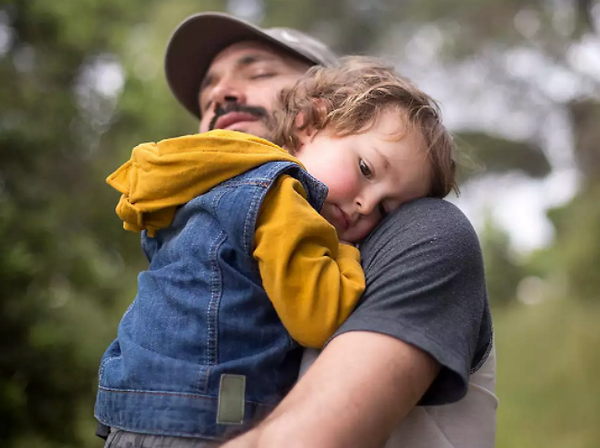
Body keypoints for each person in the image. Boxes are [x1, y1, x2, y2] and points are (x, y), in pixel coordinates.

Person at [99, 12, 497, 448]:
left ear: (316, 107)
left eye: (260, 72)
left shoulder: (421, 228)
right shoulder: (229, 211)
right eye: (207, 89)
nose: (220, 93)